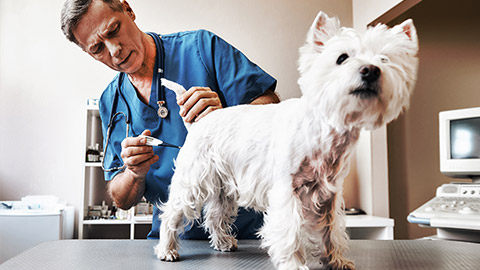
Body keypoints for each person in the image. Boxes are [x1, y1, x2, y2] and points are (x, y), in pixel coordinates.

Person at [61, 0, 279, 239]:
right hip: (176, 238)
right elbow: (121, 198)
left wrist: (228, 117)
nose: (114, 51)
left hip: (249, 232)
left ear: (128, 9)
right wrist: (133, 173)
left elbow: (272, 107)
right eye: (97, 49)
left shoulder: (202, 49)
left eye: (113, 31)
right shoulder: (110, 101)